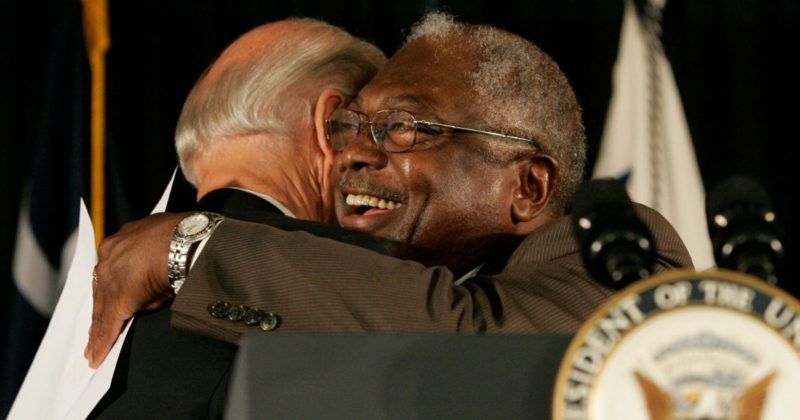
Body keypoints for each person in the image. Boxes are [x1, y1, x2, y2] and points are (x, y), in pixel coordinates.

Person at [87, 12, 692, 364]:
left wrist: (197, 248)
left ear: (529, 187)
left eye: (402, 127)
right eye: (351, 125)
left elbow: (471, 344)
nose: (352, 152)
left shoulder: (619, 257)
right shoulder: (365, 300)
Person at [84, 18, 386, 418]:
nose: (380, 157)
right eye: (375, 128)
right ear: (329, 125)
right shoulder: (348, 272)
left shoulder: (100, 307)